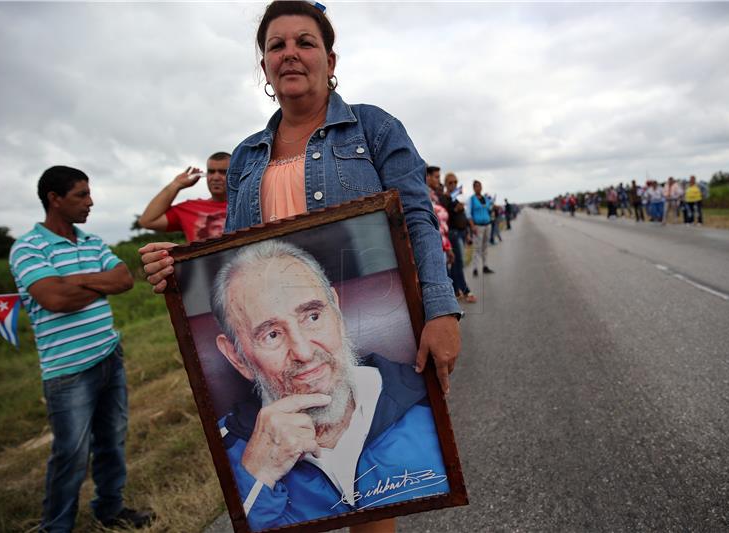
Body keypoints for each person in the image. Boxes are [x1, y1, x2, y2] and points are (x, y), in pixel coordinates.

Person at [139, 5, 461, 530]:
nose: (290, 53)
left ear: (329, 59)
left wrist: (441, 311)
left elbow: (418, 221)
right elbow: (231, 254)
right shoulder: (246, 156)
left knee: (374, 501)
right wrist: (179, 270)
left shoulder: (374, 128)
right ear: (264, 65)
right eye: (276, 45)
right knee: (295, 503)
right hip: (278, 363)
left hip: (337, 351)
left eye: (305, 42)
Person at [211, 240, 449, 531]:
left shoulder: (423, 400)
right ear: (237, 357)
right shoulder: (229, 446)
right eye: (272, 334)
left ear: (335, 310)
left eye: (312, 316)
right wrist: (257, 476)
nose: (304, 352)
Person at [9, 166, 152, 532]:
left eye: (89, 193)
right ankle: (56, 527)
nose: (91, 202)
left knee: (112, 442)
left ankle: (110, 509)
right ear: (54, 199)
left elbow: (123, 279)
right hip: (68, 370)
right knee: (70, 454)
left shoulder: (91, 242)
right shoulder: (27, 247)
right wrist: (93, 284)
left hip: (108, 356)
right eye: (81, 195)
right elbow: (54, 298)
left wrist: (76, 280)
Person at [138, 151, 230, 243]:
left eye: (223, 172)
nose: (215, 177)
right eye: (211, 172)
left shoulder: (243, 206)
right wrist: (176, 184)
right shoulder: (191, 208)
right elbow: (147, 221)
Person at [440, 172, 476, 303]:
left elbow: (463, 218)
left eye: (455, 182)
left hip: (461, 232)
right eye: (450, 183)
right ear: (445, 184)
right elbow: (444, 216)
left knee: (456, 264)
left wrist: (467, 233)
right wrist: (455, 209)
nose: (453, 185)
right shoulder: (444, 198)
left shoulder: (455, 198)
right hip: (452, 234)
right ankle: (465, 290)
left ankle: (457, 290)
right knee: (458, 263)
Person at [426, 166, 453, 263]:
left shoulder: (433, 196)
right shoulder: (425, 196)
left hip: (441, 243)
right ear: (427, 177)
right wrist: (447, 246)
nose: (439, 180)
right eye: (436, 177)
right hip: (436, 244)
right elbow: (437, 225)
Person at [468, 180, 494, 276]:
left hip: (487, 225)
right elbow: (468, 214)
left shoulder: (485, 199)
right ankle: (475, 268)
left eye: (480, 186)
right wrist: (472, 226)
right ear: (474, 188)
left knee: (485, 246)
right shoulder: (472, 199)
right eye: (476, 186)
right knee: (477, 248)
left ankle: (485, 266)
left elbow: (489, 208)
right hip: (478, 226)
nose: (478, 188)